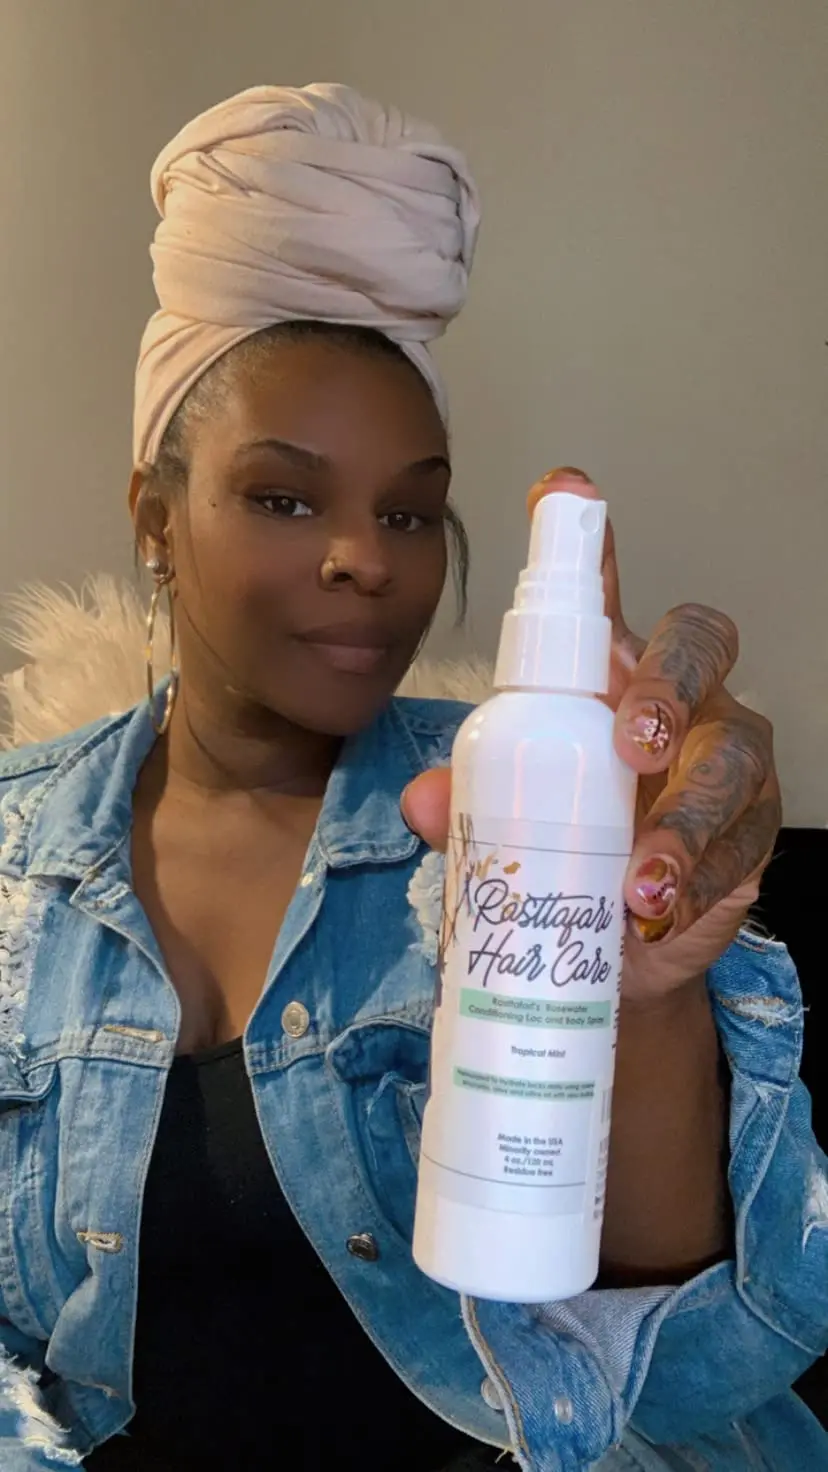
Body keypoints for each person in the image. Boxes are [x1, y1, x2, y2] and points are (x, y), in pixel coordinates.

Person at [0, 82, 825, 1472]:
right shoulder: (15, 860)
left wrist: (647, 993)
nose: (366, 559)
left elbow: (687, 1359)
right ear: (155, 519)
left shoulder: (529, 824)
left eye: (410, 509)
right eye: (284, 497)